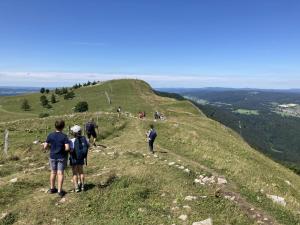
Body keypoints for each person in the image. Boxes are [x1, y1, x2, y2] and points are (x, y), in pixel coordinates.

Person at [43, 119, 70, 197]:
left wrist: (50, 149)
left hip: (52, 156)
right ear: (63, 127)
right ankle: (60, 191)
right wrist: (64, 151)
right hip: (61, 156)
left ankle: (52, 189)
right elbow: (67, 148)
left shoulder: (50, 135)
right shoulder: (64, 136)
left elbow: (45, 146)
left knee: (53, 172)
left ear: (55, 126)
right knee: (60, 173)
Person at [69, 125, 89, 192]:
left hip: (73, 158)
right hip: (81, 158)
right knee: (81, 172)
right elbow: (87, 145)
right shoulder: (84, 138)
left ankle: (77, 187)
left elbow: (70, 150)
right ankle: (83, 186)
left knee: (75, 173)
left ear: (74, 133)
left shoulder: (71, 140)